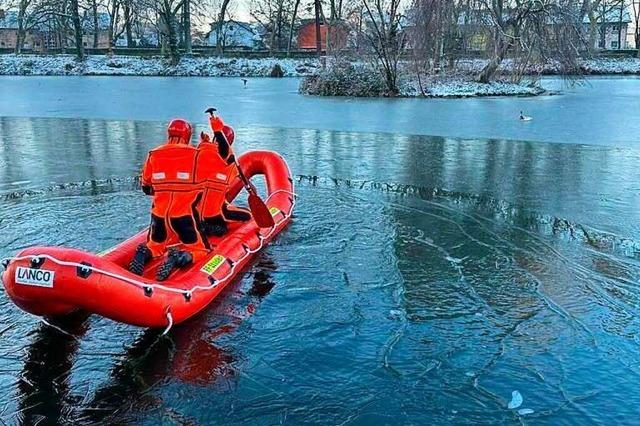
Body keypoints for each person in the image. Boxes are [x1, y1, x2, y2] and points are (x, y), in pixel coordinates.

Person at [129, 119, 210, 281]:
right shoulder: (196, 155)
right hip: (183, 216)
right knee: (201, 249)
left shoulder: (154, 154)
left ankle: (143, 252)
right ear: (187, 135)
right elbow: (207, 184)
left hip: (159, 215)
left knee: (155, 246)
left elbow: (146, 186)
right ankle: (178, 257)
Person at [195, 114, 251, 237]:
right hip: (214, 211)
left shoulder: (200, 151)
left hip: (193, 209)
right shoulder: (228, 158)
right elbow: (224, 151)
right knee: (249, 216)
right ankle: (217, 229)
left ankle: (200, 225)